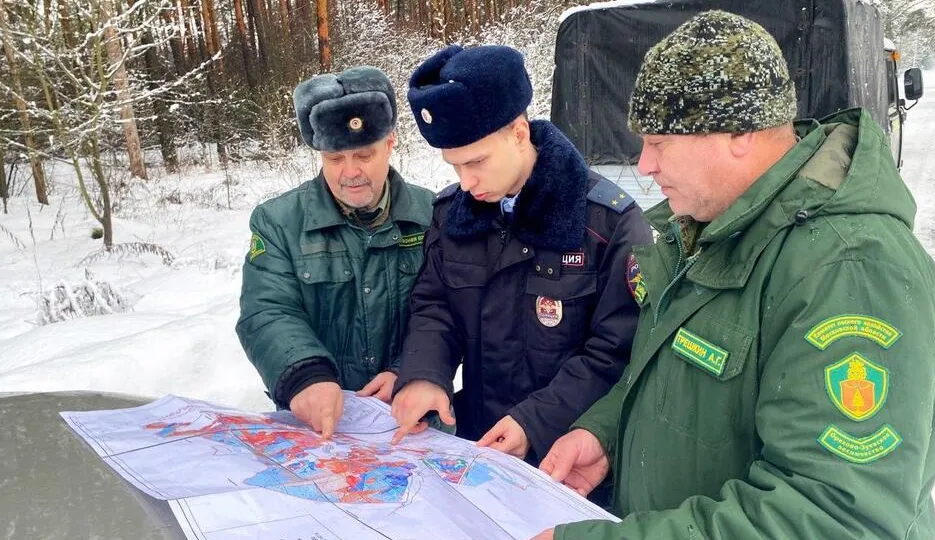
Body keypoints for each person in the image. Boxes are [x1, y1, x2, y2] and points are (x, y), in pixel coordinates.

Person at [532, 10, 935, 539]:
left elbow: (834, 519)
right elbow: (687, 381)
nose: (644, 166)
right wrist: (607, 435)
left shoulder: (851, 271)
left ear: (738, 132)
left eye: (659, 142)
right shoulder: (713, 228)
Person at [388, 44, 654, 465]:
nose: (467, 181)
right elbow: (435, 306)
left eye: (476, 161)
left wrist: (535, 421)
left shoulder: (607, 223)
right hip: (477, 447)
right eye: (454, 166)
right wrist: (425, 374)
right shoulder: (454, 215)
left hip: (569, 461)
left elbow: (618, 351)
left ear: (518, 132)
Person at [236, 66, 435, 438]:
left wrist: (411, 369)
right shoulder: (278, 222)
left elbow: (447, 310)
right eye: (335, 159)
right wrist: (305, 375)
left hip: (411, 420)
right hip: (315, 426)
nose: (350, 173)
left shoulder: (432, 216)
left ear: (391, 142)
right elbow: (267, 310)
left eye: (363, 155)